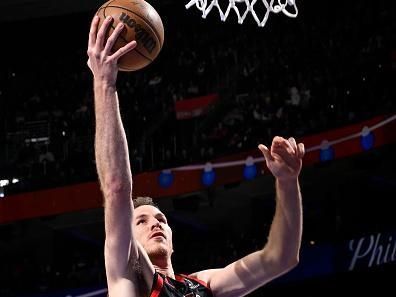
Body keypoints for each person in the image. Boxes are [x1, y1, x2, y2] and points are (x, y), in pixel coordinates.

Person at [87, 15, 305, 297]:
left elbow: (281, 258)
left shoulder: (203, 285)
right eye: (140, 221)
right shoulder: (128, 279)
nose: (156, 223)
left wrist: (288, 183)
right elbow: (117, 189)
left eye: (161, 219)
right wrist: (104, 83)